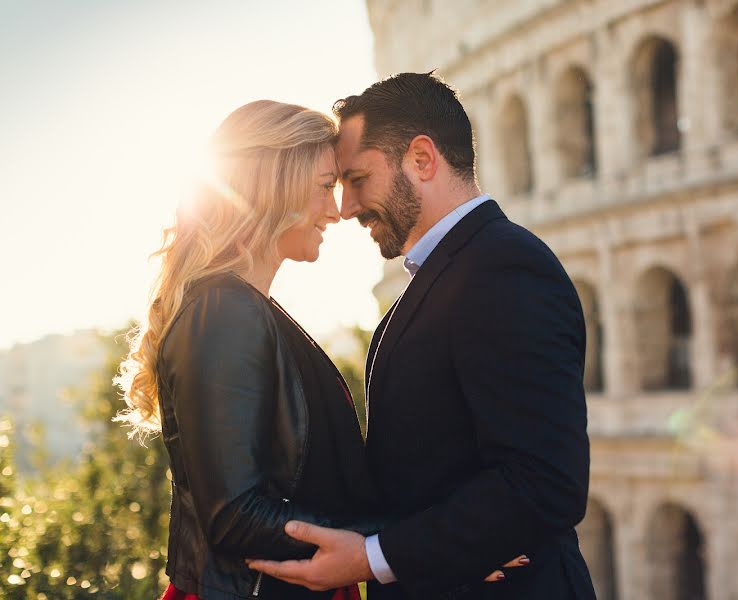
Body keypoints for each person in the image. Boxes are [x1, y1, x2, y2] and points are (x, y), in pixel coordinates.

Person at [249, 73, 595, 598]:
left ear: (422, 159)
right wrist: (446, 553)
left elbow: (545, 482)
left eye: (358, 178)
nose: (345, 207)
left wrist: (373, 558)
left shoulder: (503, 269)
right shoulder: (454, 272)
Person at [115, 100, 383, 600]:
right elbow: (234, 515)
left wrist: (429, 541)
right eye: (327, 186)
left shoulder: (244, 309)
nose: (337, 210)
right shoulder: (224, 311)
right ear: (276, 184)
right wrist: (388, 545)